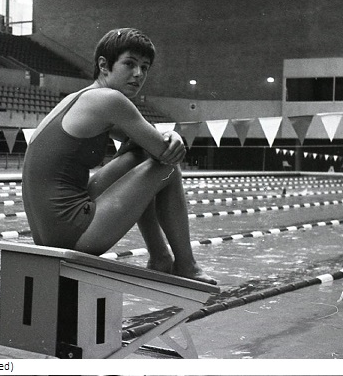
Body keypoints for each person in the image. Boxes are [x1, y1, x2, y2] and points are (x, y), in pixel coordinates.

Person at [22, 28, 216, 284]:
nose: (139, 74)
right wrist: (172, 137)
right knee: (167, 168)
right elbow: (165, 153)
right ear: (104, 65)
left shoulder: (82, 98)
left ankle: (160, 257)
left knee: (139, 156)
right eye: (130, 64)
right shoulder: (111, 100)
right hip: (71, 232)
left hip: (48, 233)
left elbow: (147, 146)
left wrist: (166, 137)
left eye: (145, 67)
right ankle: (186, 264)